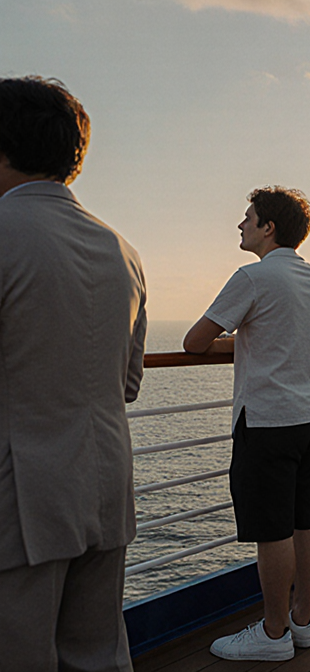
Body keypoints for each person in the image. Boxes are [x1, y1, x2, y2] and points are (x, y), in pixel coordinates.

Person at [0, 76, 146, 672]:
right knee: (98, 656)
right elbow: (128, 382)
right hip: (106, 486)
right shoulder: (121, 249)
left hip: (20, 499)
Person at [185, 187, 310, 661]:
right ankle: (302, 622)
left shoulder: (253, 277)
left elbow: (194, 342)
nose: (241, 225)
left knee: (273, 532)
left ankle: (273, 636)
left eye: (248, 217)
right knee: (304, 523)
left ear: (268, 227)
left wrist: (237, 337)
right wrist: (249, 339)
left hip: (270, 421)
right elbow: (284, 338)